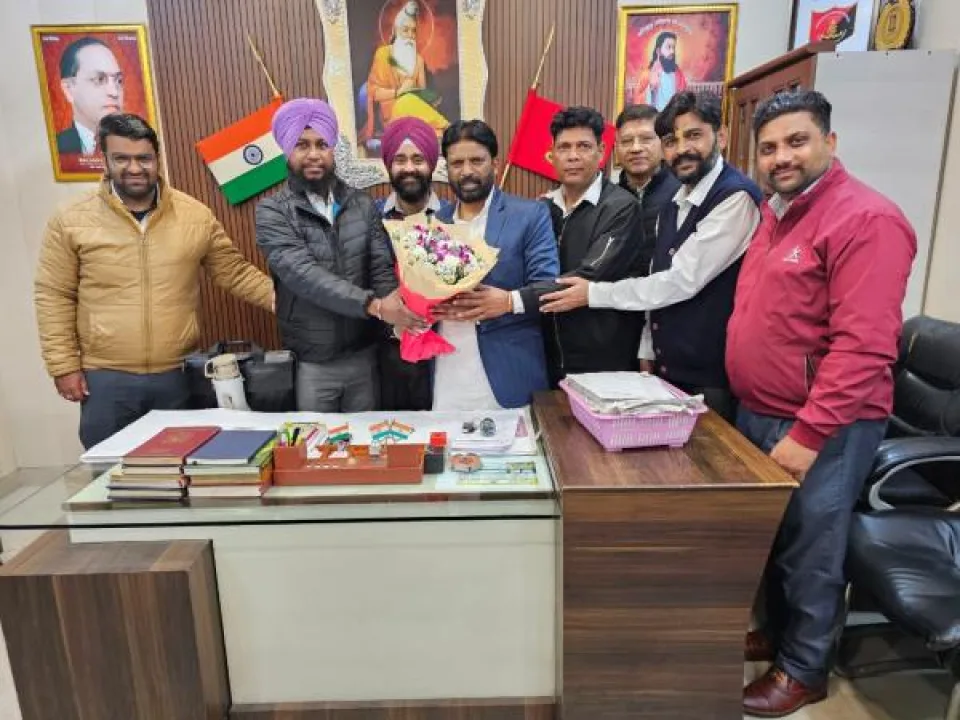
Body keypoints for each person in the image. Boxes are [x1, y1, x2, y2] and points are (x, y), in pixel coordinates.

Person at [728, 90, 916, 717]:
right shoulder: (776, 213)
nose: (781, 157)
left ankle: (804, 669)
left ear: (829, 143)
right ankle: (780, 637)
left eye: (797, 141)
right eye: (769, 147)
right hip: (761, 408)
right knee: (776, 539)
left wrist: (808, 435)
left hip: (824, 424)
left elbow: (864, 347)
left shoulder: (868, 219)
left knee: (813, 546)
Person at [34, 113, 274, 449]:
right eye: (122, 158)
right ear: (104, 159)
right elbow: (54, 294)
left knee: (180, 468)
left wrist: (289, 302)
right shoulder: (71, 219)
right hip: (105, 379)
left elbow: (235, 272)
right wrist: (63, 366)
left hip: (177, 376)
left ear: (156, 159)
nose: (134, 168)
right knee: (110, 473)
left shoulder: (195, 215)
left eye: (143, 158)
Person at [541, 92, 762, 421]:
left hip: (709, 369)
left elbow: (680, 281)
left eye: (694, 135)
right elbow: (656, 273)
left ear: (722, 136)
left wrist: (593, 293)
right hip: (662, 364)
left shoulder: (734, 197)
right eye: (672, 140)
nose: (682, 149)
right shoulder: (675, 202)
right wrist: (648, 348)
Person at [444, 107, 644, 385]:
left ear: (601, 151)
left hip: (601, 355)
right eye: (564, 147)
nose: (573, 156)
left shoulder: (621, 208)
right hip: (545, 353)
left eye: (583, 146)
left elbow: (584, 278)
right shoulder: (543, 207)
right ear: (552, 154)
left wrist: (510, 301)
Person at [255, 98, 426, 412]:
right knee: (318, 442)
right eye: (302, 145)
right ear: (286, 150)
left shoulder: (361, 203)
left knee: (369, 439)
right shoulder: (272, 212)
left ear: (333, 149)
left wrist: (400, 317)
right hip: (312, 363)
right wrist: (374, 306)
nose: (314, 154)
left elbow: (380, 267)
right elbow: (304, 275)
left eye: (322, 144)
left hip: (365, 355)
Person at [428, 120, 559, 409]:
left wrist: (508, 301)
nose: (467, 171)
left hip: (508, 373)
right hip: (446, 373)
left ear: (495, 165)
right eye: (457, 163)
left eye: (476, 161)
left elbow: (549, 286)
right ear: (447, 169)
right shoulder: (435, 223)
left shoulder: (529, 215)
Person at [376, 116, 451, 410]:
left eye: (418, 159)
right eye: (400, 159)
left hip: (445, 355)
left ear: (431, 164)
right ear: (388, 165)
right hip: (385, 358)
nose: (409, 168)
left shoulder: (453, 217)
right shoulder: (369, 218)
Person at [612, 103, 681, 286]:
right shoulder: (608, 198)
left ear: (664, 144)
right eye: (627, 141)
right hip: (615, 298)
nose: (636, 148)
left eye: (646, 139)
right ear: (616, 148)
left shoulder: (683, 193)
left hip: (668, 295)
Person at [360, 0, 448, 143]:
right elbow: (374, 93)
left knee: (414, 105)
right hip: (390, 114)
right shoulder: (383, 54)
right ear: (396, 31)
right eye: (405, 30)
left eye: (413, 31)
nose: (410, 35)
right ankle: (444, 126)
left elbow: (421, 94)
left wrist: (429, 97)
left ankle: (440, 130)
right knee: (405, 101)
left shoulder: (418, 59)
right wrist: (399, 92)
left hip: (414, 110)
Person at [57, 37, 124, 155]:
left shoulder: (140, 144)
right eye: (99, 79)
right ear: (68, 89)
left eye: (118, 81)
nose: (114, 92)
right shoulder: (55, 148)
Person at [632, 31, 687, 111]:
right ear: (658, 51)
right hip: (654, 116)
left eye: (673, 47)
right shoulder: (647, 74)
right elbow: (637, 99)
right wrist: (650, 89)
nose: (672, 51)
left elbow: (684, 98)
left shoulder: (678, 74)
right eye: (668, 47)